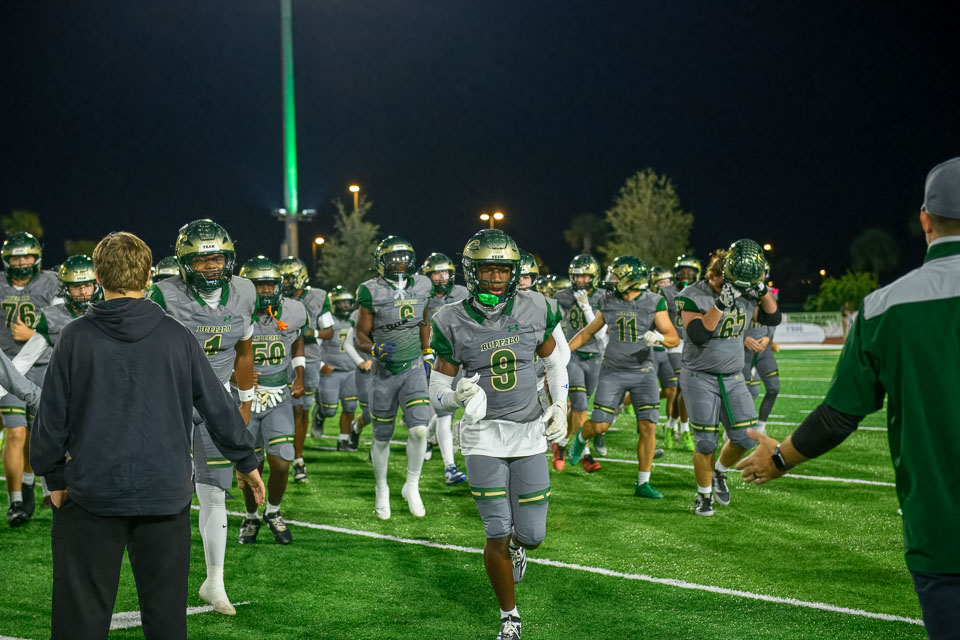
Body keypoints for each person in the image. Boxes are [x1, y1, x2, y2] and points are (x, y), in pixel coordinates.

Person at [737, 158, 960, 639]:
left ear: (925, 221)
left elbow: (839, 416)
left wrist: (779, 457)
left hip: (942, 531)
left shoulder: (885, 307)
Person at [30, 231, 264, 640]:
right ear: (149, 276)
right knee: (166, 620)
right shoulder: (178, 335)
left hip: (92, 494)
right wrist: (246, 459)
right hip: (164, 494)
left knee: (79, 621)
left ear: (98, 278)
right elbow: (217, 405)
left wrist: (53, 476)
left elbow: (50, 418)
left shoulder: (75, 336)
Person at [430, 229, 567, 640]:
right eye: (487, 270)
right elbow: (436, 393)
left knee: (532, 535)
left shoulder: (536, 306)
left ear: (514, 272)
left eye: (503, 271)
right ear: (472, 272)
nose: (495, 279)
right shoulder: (450, 319)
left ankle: (520, 547)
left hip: (528, 432)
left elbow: (555, 362)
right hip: (483, 436)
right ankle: (509, 615)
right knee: (496, 530)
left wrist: (560, 404)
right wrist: (455, 397)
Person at [147, 219, 257, 614]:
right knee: (167, 492)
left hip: (216, 402)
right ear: (184, 262)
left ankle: (215, 581)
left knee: (214, 491)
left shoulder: (245, 291)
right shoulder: (162, 294)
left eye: (217, 258)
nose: (211, 266)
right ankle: (158, 575)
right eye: (201, 259)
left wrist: (244, 404)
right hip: (170, 403)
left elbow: (244, 351)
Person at [675, 239, 780, 516]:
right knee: (706, 442)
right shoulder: (692, 294)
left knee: (745, 438)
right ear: (716, 273)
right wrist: (721, 303)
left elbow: (773, 318)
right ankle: (703, 495)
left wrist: (762, 289)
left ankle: (719, 471)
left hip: (734, 376)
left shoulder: (745, 290)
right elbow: (698, 334)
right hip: (699, 376)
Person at [566, 256, 679, 496]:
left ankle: (643, 483)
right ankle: (581, 437)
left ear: (631, 279)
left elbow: (673, 338)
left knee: (648, 426)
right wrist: (564, 352)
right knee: (600, 425)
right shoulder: (609, 300)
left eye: (617, 275)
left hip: (643, 372)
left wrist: (659, 337)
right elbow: (587, 332)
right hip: (613, 371)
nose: (612, 279)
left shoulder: (654, 301)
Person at [354, 235, 433, 519]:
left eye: (403, 258)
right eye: (393, 258)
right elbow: (360, 335)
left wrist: (427, 352)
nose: (399, 263)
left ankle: (412, 485)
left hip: (413, 368)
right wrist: (374, 349)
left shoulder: (423, 284)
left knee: (420, 430)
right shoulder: (370, 290)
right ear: (381, 262)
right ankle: (381, 487)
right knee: (382, 437)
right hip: (384, 373)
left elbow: (424, 320)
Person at [236, 256, 306, 545]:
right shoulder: (234, 311)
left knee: (281, 461)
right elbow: (220, 351)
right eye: (259, 285)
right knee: (249, 464)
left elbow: (297, 339)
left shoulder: (294, 310)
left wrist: (300, 373)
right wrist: (234, 376)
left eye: (270, 284)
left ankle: (273, 511)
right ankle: (251, 515)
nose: (265, 290)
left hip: (278, 394)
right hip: (245, 398)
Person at [0, 231, 59, 526]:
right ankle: (16, 502)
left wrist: (34, 334)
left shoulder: (52, 282)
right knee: (15, 432)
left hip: (44, 365)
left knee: (40, 435)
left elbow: (63, 320)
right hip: (9, 368)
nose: (22, 262)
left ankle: (29, 484)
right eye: (16, 258)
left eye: (27, 257)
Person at [277, 256, 333, 482]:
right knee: (283, 410)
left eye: (288, 278)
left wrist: (313, 333)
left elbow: (329, 331)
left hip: (309, 358)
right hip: (281, 357)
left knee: (302, 411)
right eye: (282, 278)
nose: (285, 282)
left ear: (300, 277)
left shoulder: (318, 297)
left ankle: (298, 459)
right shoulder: (276, 296)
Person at [419, 252, 469, 484]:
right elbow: (421, 326)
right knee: (444, 412)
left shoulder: (463, 293)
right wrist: (426, 353)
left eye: (445, 272)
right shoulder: (422, 297)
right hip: (436, 358)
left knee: (451, 409)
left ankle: (427, 439)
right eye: (436, 273)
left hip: (461, 356)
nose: (441, 277)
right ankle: (450, 467)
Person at [553, 254, 606, 470]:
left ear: (594, 277)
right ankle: (585, 453)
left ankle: (561, 443)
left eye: (585, 276)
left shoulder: (603, 297)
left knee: (579, 406)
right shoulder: (562, 296)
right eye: (577, 276)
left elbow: (601, 333)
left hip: (595, 356)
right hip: (571, 354)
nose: (581, 280)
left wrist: (586, 307)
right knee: (580, 405)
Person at [319, 285, 361, 452]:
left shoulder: (356, 319)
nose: (345, 306)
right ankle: (320, 414)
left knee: (350, 407)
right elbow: (315, 346)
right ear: (333, 304)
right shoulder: (326, 321)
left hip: (351, 371)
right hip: (332, 372)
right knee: (329, 410)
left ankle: (343, 440)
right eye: (341, 303)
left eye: (348, 302)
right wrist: (321, 365)